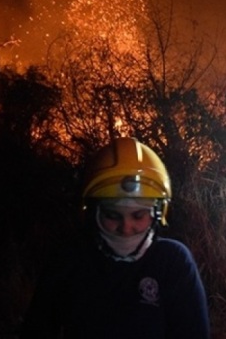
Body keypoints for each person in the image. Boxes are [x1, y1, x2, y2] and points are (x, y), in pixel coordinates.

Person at [19, 137, 211, 339]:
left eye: (138, 215)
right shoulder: (69, 260)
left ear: (158, 213)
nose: (126, 228)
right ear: (92, 213)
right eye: (112, 215)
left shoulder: (172, 262)